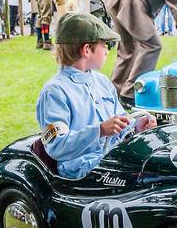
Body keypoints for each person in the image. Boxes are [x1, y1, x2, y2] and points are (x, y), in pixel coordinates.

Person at [36, 12, 156, 179]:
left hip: (112, 159)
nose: (107, 51)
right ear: (86, 50)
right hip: (83, 172)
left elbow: (120, 122)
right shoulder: (55, 91)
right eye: (104, 45)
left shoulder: (102, 82)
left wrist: (136, 126)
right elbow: (57, 145)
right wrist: (99, 130)